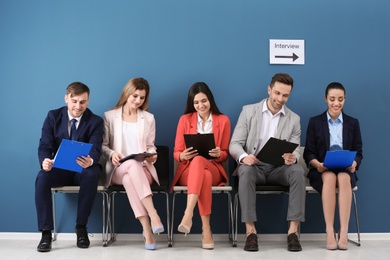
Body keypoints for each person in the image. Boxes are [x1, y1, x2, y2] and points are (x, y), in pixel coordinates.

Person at [229, 73, 306, 252]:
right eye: (277, 93)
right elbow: (234, 144)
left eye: (285, 95)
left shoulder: (294, 119)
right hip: (254, 167)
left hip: (279, 169)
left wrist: (293, 157)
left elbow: (295, 148)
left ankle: (293, 232)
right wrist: (243, 157)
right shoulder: (248, 111)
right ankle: (250, 232)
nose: (280, 99)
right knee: (245, 171)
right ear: (269, 89)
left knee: (298, 171)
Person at [35, 82, 104, 252]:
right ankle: (45, 233)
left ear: (88, 101)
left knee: (92, 172)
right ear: (66, 98)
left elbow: (96, 147)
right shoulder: (53, 116)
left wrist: (91, 160)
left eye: (82, 102)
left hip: (83, 169)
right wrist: (45, 161)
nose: (78, 106)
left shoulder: (96, 121)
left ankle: (81, 228)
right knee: (42, 176)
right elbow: (45, 145)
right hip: (59, 170)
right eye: (74, 101)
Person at [102, 78, 164, 250]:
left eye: (142, 98)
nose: (138, 101)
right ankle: (154, 214)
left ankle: (147, 230)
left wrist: (152, 156)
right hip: (117, 170)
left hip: (142, 171)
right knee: (130, 167)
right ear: (127, 93)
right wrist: (112, 154)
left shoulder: (149, 118)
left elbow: (151, 146)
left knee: (132, 176)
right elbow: (103, 146)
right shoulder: (110, 116)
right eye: (135, 96)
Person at [170, 82, 231, 249]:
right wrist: (182, 155)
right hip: (188, 171)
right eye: (196, 102)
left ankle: (188, 213)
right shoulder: (184, 120)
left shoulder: (223, 120)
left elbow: (226, 153)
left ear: (210, 99)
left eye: (203, 101)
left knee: (203, 166)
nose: (200, 105)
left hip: (213, 166)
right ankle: (206, 230)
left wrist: (220, 154)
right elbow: (176, 153)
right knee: (202, 172)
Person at [303, 82, 363, 250]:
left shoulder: (353, 123)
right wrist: (317, 164)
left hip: (345, 169)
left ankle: (343, 231)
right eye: (332, 99)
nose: (336, 103)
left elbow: (359, 151)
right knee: (329, 177)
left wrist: (354, 163)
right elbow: (308, 152)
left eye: (340, 99)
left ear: (345, 99)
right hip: (322, 169)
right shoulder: (315, 122)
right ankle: (329, 230)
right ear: (325, 99)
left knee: (344, 178)